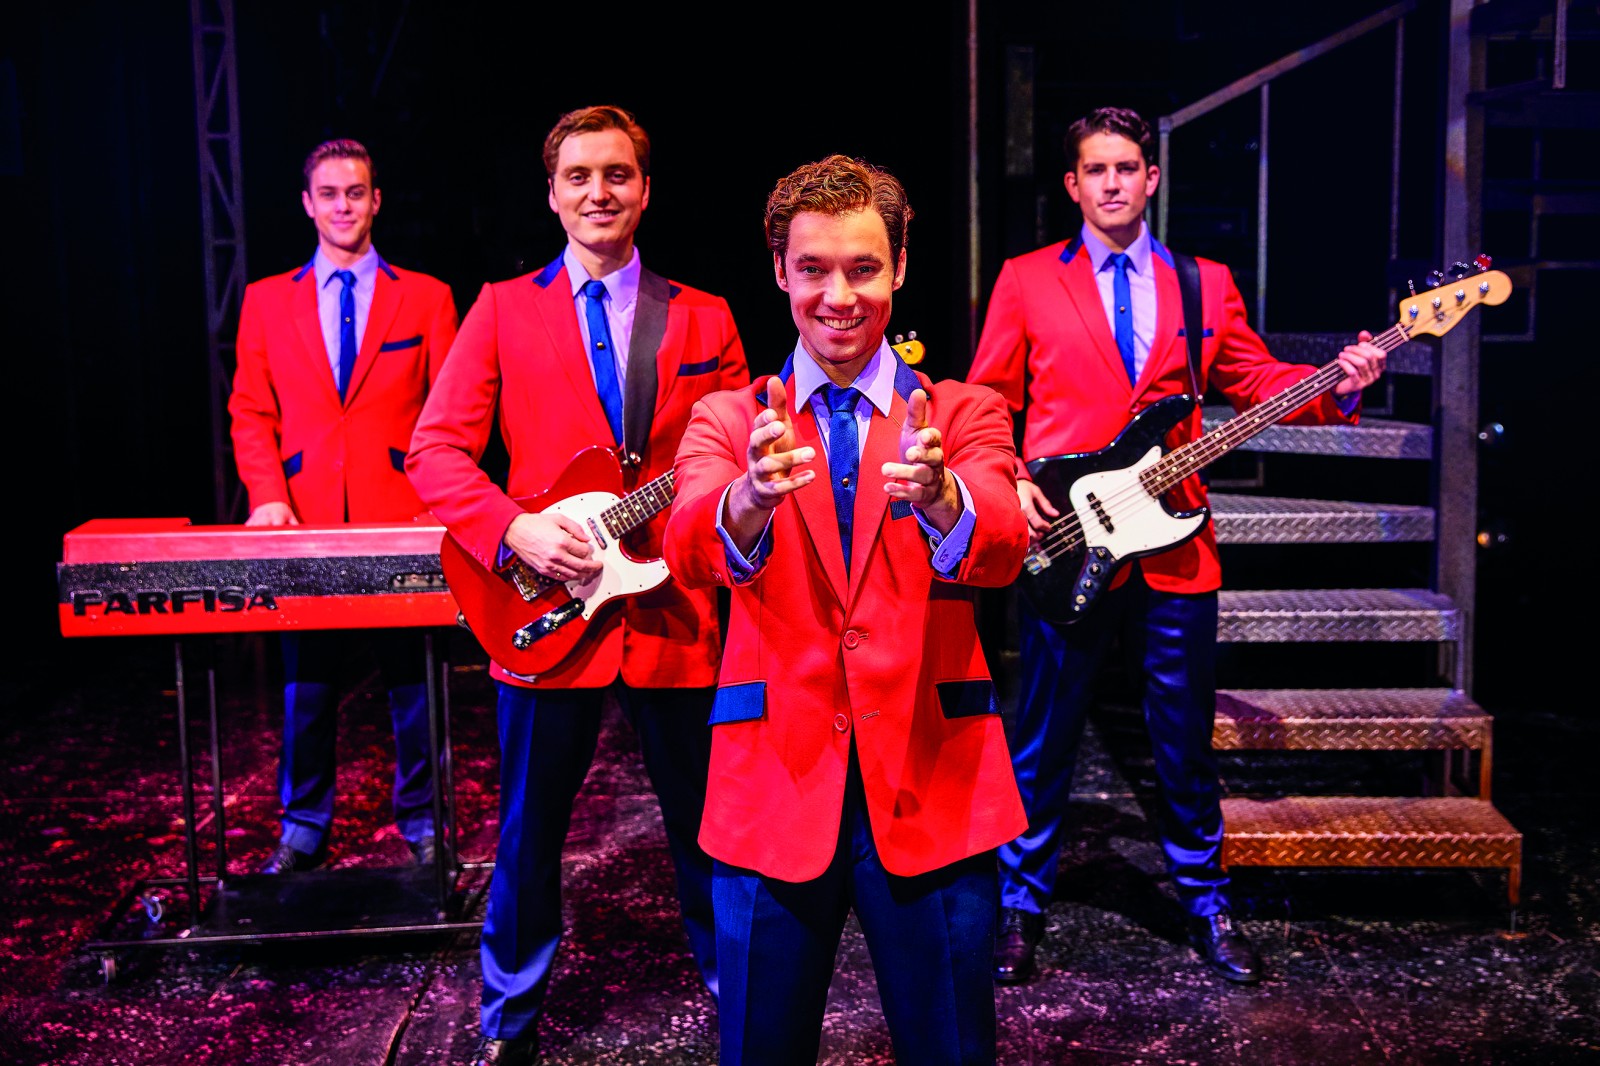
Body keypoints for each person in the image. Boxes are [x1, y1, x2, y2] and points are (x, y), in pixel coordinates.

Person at [967, 106, 1388, 986]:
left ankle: (1205, 900)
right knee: (1042, 734)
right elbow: (986, 400)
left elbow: (1255, 379)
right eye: (1096, 169)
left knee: (1183, 739)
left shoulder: (1204, 283)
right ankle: (1020, 902)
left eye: (1127, 167)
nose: (1113, 183)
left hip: (1175, 544)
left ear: (1151, 177)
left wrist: (1340, 384)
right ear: (1073, 184)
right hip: (1068, 538)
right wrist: (1005, 476)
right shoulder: (1026, 280)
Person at [663, 154, 1029, 1066]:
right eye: (814, 269)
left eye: (863, 268)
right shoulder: (730, 420)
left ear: (899, 266)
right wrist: (749, 496)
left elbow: (1003, 546)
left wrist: (943, 497)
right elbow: (686, 548)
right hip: (772, 785)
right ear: (779, 271)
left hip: (935, 781)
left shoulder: (961, 413)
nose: (839, 296)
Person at [405, 104, 748, 1066]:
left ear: (646, 189)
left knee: (708, 827)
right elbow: (435, 452)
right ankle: (509, 1020)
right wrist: (513, 528)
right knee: (527, 837)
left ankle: (740, 999)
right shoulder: (502, 308)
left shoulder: (707, 316)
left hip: (674, 609)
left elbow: (729, 456)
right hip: (546, 615)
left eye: (618, 175)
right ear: (553, 195)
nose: (600, 193)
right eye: (580, 177)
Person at [228, 138, 459, 876]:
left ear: (376, 200)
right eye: (328, 194)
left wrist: (438, 500)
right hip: (305, 522)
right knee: (307, 685)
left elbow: (451, 411)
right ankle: (303, 826)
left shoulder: (426, 297)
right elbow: (250, 412)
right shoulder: (267, 300)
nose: (343, 206)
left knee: (414, 684)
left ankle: (423, 820)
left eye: (355, 192)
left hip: (404, 521)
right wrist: (268, 497)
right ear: (307, 203)